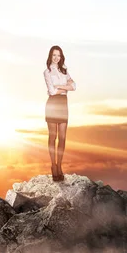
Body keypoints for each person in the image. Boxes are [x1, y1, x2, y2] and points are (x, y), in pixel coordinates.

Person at [43, 45, 76, 182]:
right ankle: (53, 166)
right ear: (50, 56)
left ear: (61, 57)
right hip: (52, 104)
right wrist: (64, 88)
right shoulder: (47, 72)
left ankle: (60, 166)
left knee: (62, 137)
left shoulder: (64, 70)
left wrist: (59, 87)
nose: (56, 58)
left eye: (59, 55)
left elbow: (73, 86)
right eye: (54, 55)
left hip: (63, 104)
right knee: (53, 136)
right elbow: (51, 92)